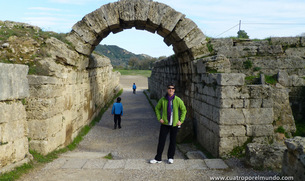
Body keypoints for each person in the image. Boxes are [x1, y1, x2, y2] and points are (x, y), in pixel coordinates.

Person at [150, 83, 187, 164]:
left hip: (174, 125)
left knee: (173, 141)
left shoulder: (177, 100)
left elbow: (184, 110)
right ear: (167, 89)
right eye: (169, 88)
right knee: (161, 141)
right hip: (165, 124)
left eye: (172, 88)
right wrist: (159, 118)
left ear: (174, 90)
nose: (171, 90)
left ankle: (170, 157)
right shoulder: (163, 100)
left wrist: (181, 120)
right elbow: (157, 108)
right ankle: (158, 158)